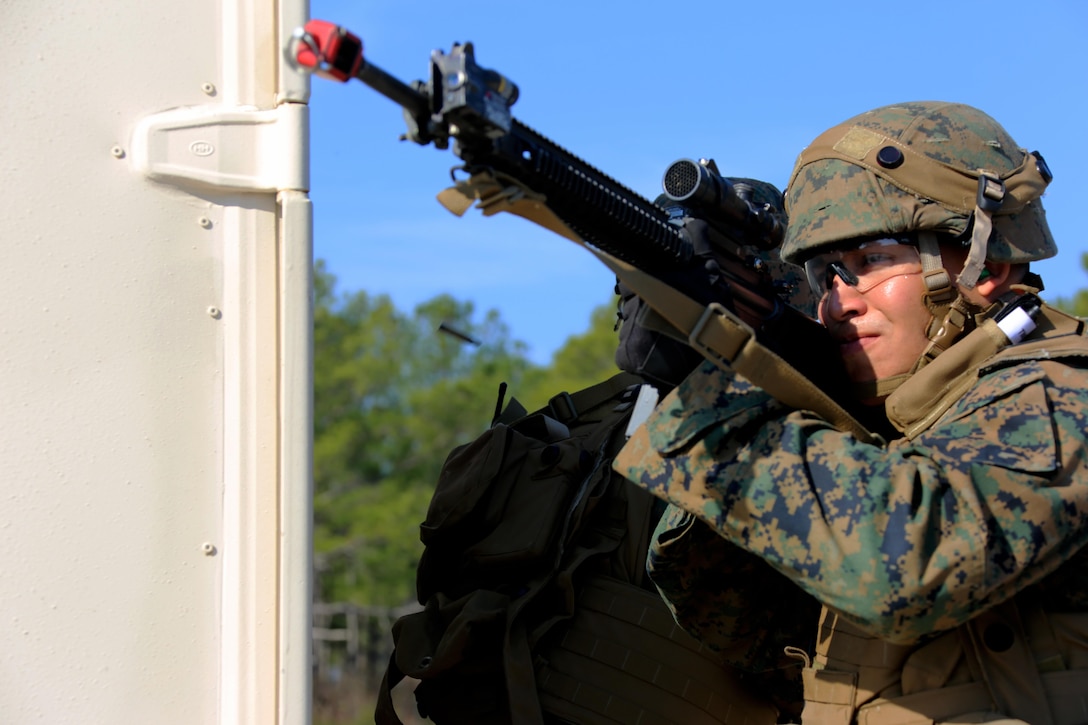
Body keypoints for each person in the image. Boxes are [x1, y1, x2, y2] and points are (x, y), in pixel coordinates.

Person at [613, 101, 1088, 724]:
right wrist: (732, 372)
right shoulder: (894, 430)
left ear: (988, 267)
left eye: (870, 262)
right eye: (824, 275)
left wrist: (716, 413)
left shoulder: (1062, 390)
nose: (839, 304)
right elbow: (751, 634)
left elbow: (910, 568)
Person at [376, 179, 814, 724]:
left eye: (693, 275)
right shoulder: (575, 428)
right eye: (640, 278)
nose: (646, 303)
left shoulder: (804, 446)